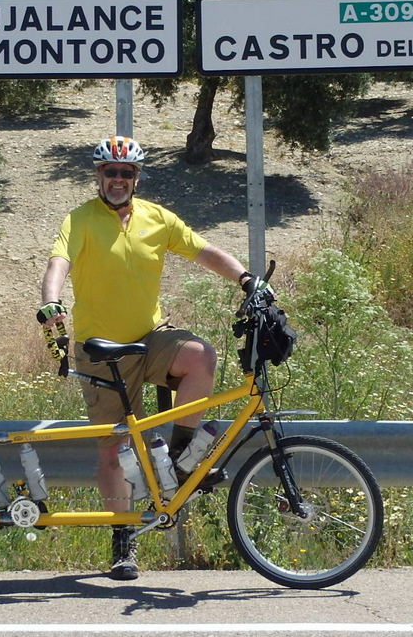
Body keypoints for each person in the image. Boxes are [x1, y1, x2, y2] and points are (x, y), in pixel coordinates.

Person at [38, 135, 258, 581]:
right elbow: (58, 263)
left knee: (200, 356)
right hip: (101, 352)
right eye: (110, 172)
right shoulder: (80, 219)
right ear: (98, 175)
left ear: (136, 178)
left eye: (126, 173)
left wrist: (247, 279)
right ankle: (123, 541)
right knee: (114, 449)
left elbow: (204, 251)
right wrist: (51, 302)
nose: (118, 179)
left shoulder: (157, 218)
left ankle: (179, 459)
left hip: (149, 338)